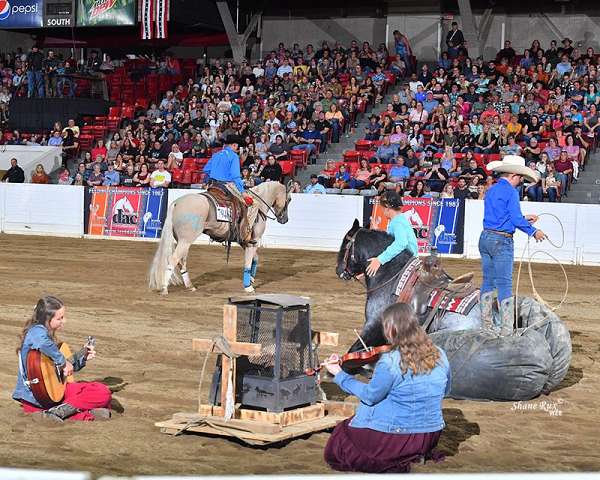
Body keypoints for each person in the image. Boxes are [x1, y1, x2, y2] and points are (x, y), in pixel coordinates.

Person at [324, 303, 450, 473]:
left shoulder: (390, 361)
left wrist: (339, 374)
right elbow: (446, 390)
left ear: (390, 329)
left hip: (398, 437)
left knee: (342, 435)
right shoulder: (440, 354)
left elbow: (370, 396)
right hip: (429, 436)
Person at [13, 296, 112, 421]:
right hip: (37, 398)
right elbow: (43, 344)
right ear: (47, 319)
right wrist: (63, 362)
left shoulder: (48, 339)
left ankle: (57, 412)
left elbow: (63, 373)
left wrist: (83, 357)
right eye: (60, 318)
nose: (64, 321)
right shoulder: (36, 331)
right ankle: (77, 410)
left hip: (53, 394)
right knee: (103, 392)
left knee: (101, 390)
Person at [479, 155, 546, 335]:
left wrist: (524, 219)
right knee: (504, 284)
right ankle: (506, 330)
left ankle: (486, 325)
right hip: (501, 241)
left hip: (486, 237)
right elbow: (514, 219)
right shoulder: (511, 192)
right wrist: (533, 231)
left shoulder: (491, 190)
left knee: (487, 281)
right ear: (514, 175)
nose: (520, 181)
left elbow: (502, 216)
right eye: (520, 178)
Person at [203, 135, 257, 242]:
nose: (237, 149)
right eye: (237, 147)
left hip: (213, 185)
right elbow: (236, 176)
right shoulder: (233, 156)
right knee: (254, 204)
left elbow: (206, 170)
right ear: (234, 145)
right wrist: (243, 192)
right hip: (227, 185)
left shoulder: (216, 154)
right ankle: (246, 232)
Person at [366, 190, 418, 277]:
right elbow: (392, 238)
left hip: (406, 261)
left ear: (387, 208)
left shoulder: (397, 222)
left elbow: (401, 242)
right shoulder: (399, 219)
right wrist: (378, 230)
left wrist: (380, 260)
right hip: (408, 258)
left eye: (382, 209)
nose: (382, 212)